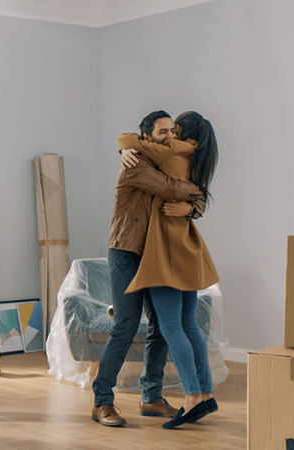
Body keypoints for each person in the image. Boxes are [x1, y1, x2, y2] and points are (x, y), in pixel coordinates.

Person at [92, 111, 206, 427]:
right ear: (146, 137)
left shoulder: (165, 159)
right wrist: (196, 195)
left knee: (161, 324)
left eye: (173, 131)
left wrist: (193, 206)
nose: (170, 136)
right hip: (127, 253)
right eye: (163, 132)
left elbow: (191, 193)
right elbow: (171, 188)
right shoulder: (135, 164)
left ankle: (151, 398)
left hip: (155, 254)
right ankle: (102, 400)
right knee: (127, 324)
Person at [117, 110, 220, 429]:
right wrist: (193, 206)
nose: (170, 135)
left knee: (171, 325)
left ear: (182, 134)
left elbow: (134, 139)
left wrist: (124, 146)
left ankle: (190, 397)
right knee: (189, 324)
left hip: (167, 250)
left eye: (173, 129)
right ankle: (204, 393)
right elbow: (197, 197)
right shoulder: (196, 158)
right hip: (188, 247)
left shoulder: (172, 151)